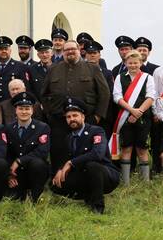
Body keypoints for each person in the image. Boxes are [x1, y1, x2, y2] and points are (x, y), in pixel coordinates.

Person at [41, 40, 111, 172]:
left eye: (73, 49)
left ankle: (83, 178)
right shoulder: (53, 69)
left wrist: (97, 115)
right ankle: (58, 179)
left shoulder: (92, 68)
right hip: (59, 119)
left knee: (84, 149)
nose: (70, 52)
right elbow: (44, 94)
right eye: (66, 50)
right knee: (58, 150)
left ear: (79, 50)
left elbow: (104, 93)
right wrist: (49, 113)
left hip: (86, 118)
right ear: (62, 52)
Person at [50, 97, 120, 214]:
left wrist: (71, 163)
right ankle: (88, 196)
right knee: (55, 183)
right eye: (68, 117)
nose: (72, 119)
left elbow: (97, 154)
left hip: (105, 174)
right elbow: (65, 158)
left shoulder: (97, 131)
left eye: (75, 115)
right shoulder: (69, 138)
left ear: (83, 117)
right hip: (83, 173)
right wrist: (61, 169)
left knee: (92, 166)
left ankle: (97, 207)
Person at [111, 51, 156, 184]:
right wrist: (132, 111)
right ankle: (125, 182)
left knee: (142, 148)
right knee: (126, 148)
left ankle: (145, 181)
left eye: (136, 63)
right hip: (125, 117)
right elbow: (117, 97)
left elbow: (151, 97)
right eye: (130, 63)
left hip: (143, 118)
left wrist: (139, 112)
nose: (133, 65)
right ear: (125, 63)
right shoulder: (120, 77)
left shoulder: (148, 77)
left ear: (141, 63)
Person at [4, 92, 50, 202]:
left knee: (38, 163)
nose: (24, 112)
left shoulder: (42, 127)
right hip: (16, 172)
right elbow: (6, 152)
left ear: (32, 110)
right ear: (16, 110)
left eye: (27, 108)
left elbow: (42, 151)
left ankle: (35, 195)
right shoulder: (8, 128)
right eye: (20, 108)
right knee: (14, 198)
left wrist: (19, 160)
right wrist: (9, 174)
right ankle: (22, 191)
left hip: (35, 170)